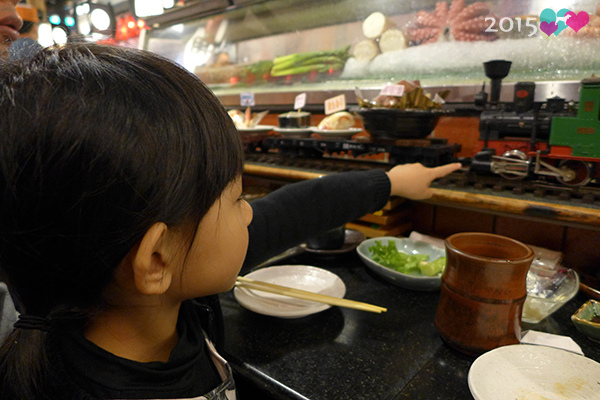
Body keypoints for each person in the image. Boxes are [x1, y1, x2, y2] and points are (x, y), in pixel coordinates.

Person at [0, 43, 461, 400]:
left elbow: (284, 216)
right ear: (156, 258)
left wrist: (390, 182)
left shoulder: (132, 288)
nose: (249, 212)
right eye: (238, 198)